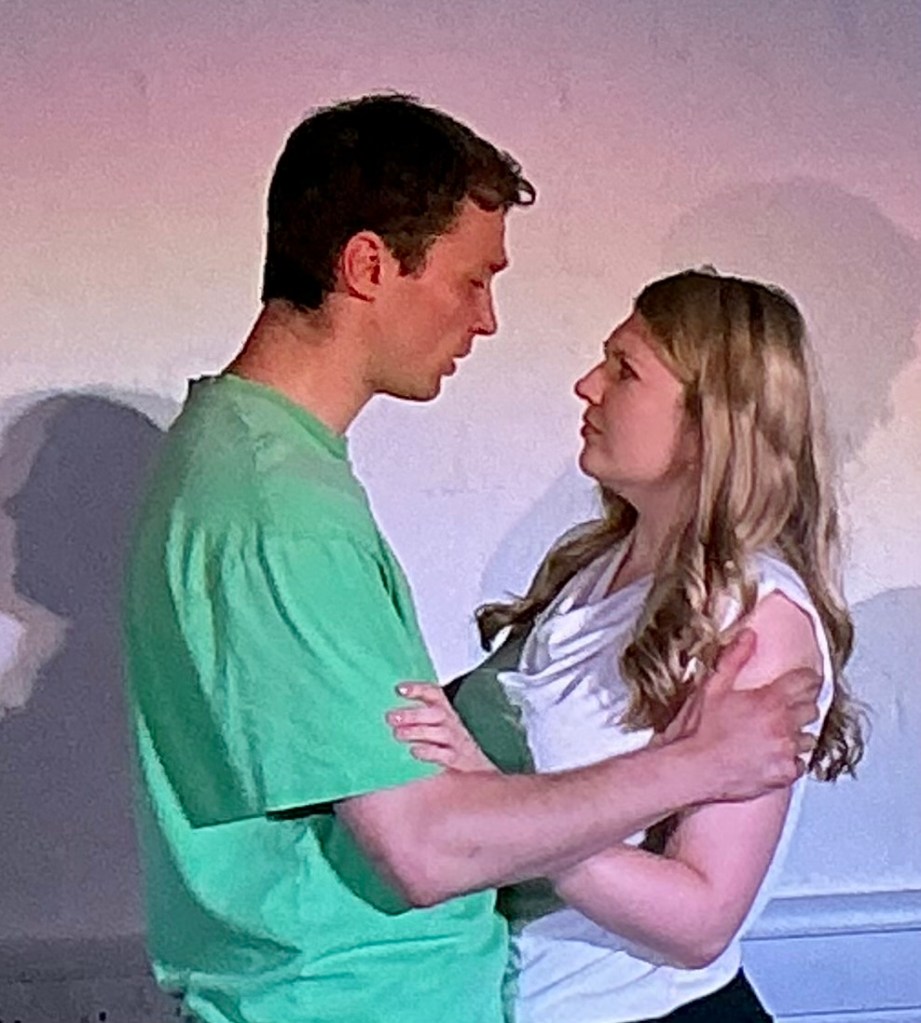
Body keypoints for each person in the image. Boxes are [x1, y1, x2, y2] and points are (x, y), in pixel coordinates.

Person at [122, 96, 821, 1023]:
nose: (486, 320)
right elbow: (423, 845)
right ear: (369, 266)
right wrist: (691, 763)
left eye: (623, 370)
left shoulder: (266, 475)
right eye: (470, 279)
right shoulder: (280, 511)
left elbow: (694, 910)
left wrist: (507, 789)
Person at [389, 269, 865, 1022]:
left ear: (710, 423)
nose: (588, 386)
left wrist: (499, 812)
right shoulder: (597, 568)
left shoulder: (756, 619)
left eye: (625, 370)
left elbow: (701, 920)